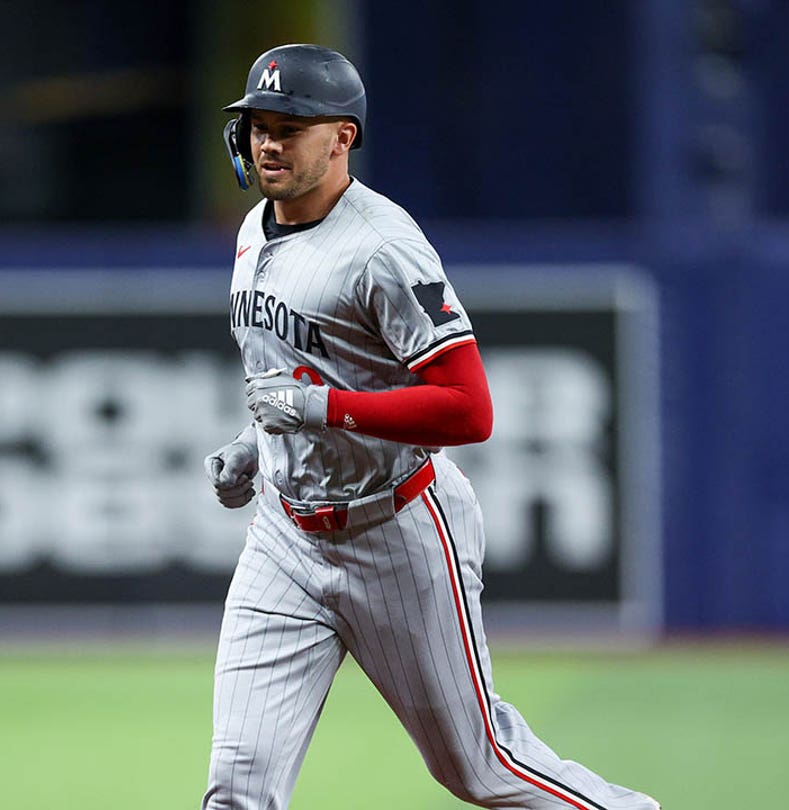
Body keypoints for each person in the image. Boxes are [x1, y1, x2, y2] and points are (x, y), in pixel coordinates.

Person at [202, 43, 661, 810]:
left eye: (291, 126)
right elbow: (299, 370)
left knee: (480, 768)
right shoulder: (255, 227)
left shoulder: (382, 246)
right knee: (237, 790)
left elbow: (468, 408)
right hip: (284, 535)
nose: (269, 143)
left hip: (397, 529)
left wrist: (323, 412)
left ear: (342, 137)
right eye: (257, 126)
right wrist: (258, 444)